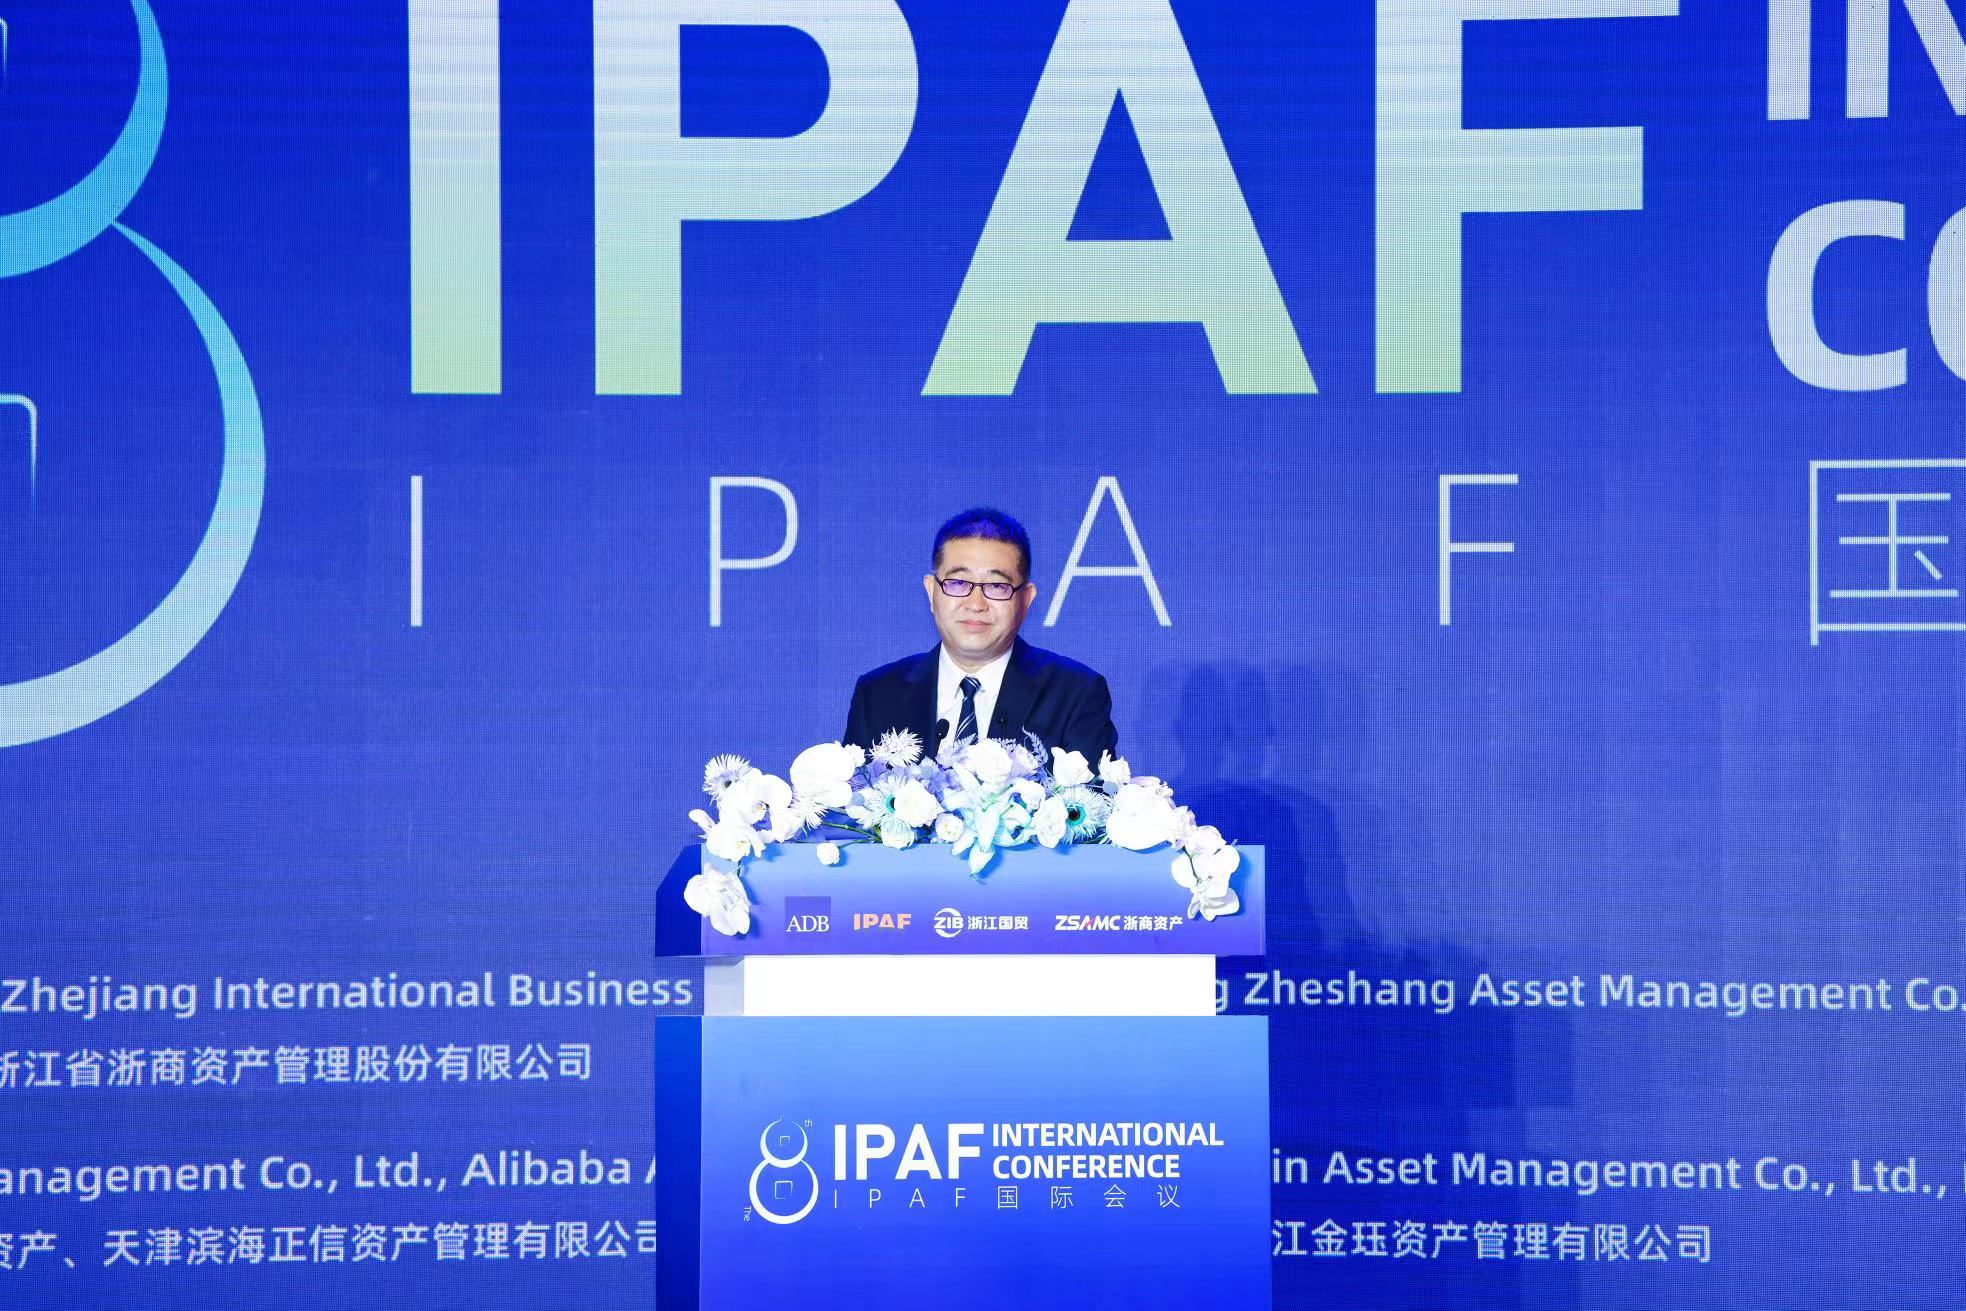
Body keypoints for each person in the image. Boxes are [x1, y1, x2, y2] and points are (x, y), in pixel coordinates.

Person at [843, 508, 1119, 763]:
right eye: (958, 583)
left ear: (1025, 600)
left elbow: (1088, 798)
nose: (976, 604)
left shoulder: (1075, 694)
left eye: (997, 586)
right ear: (931, 591)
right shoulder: (878, 694)